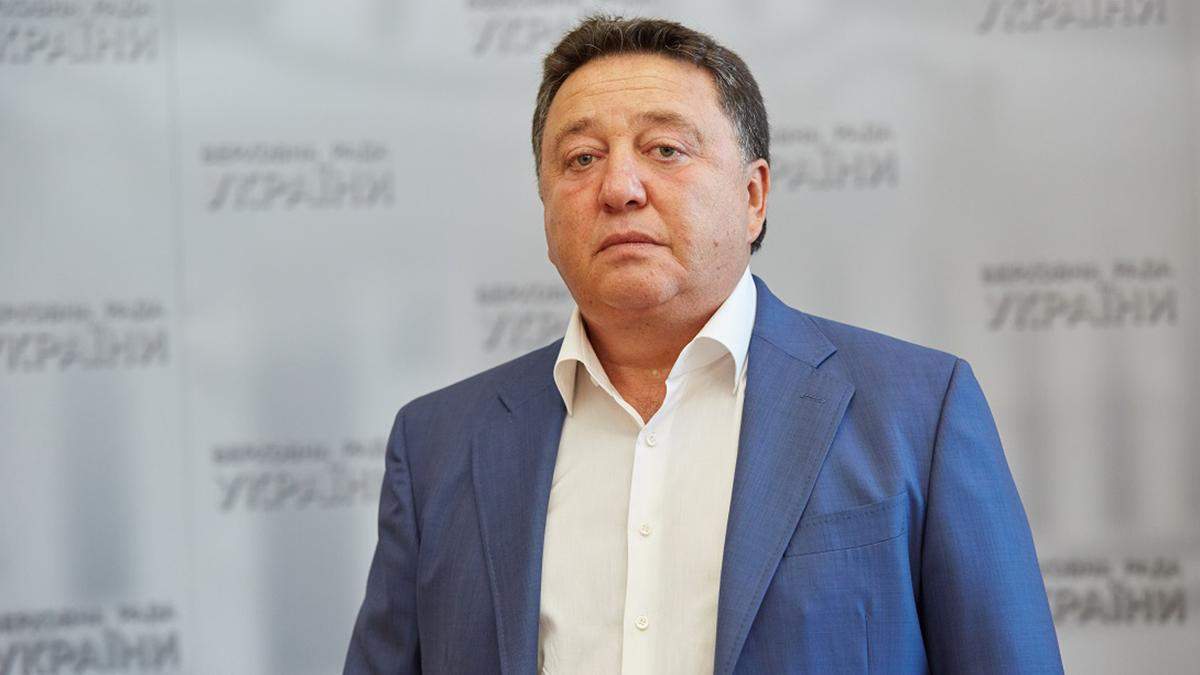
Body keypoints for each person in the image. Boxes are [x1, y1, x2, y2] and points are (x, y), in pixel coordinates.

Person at [344, 14, 1063, 674]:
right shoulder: (439, 445)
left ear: (753, 197)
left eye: (665, 149)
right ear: (545, 205)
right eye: (582, 158)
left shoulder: (917, 413)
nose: (620, 187)